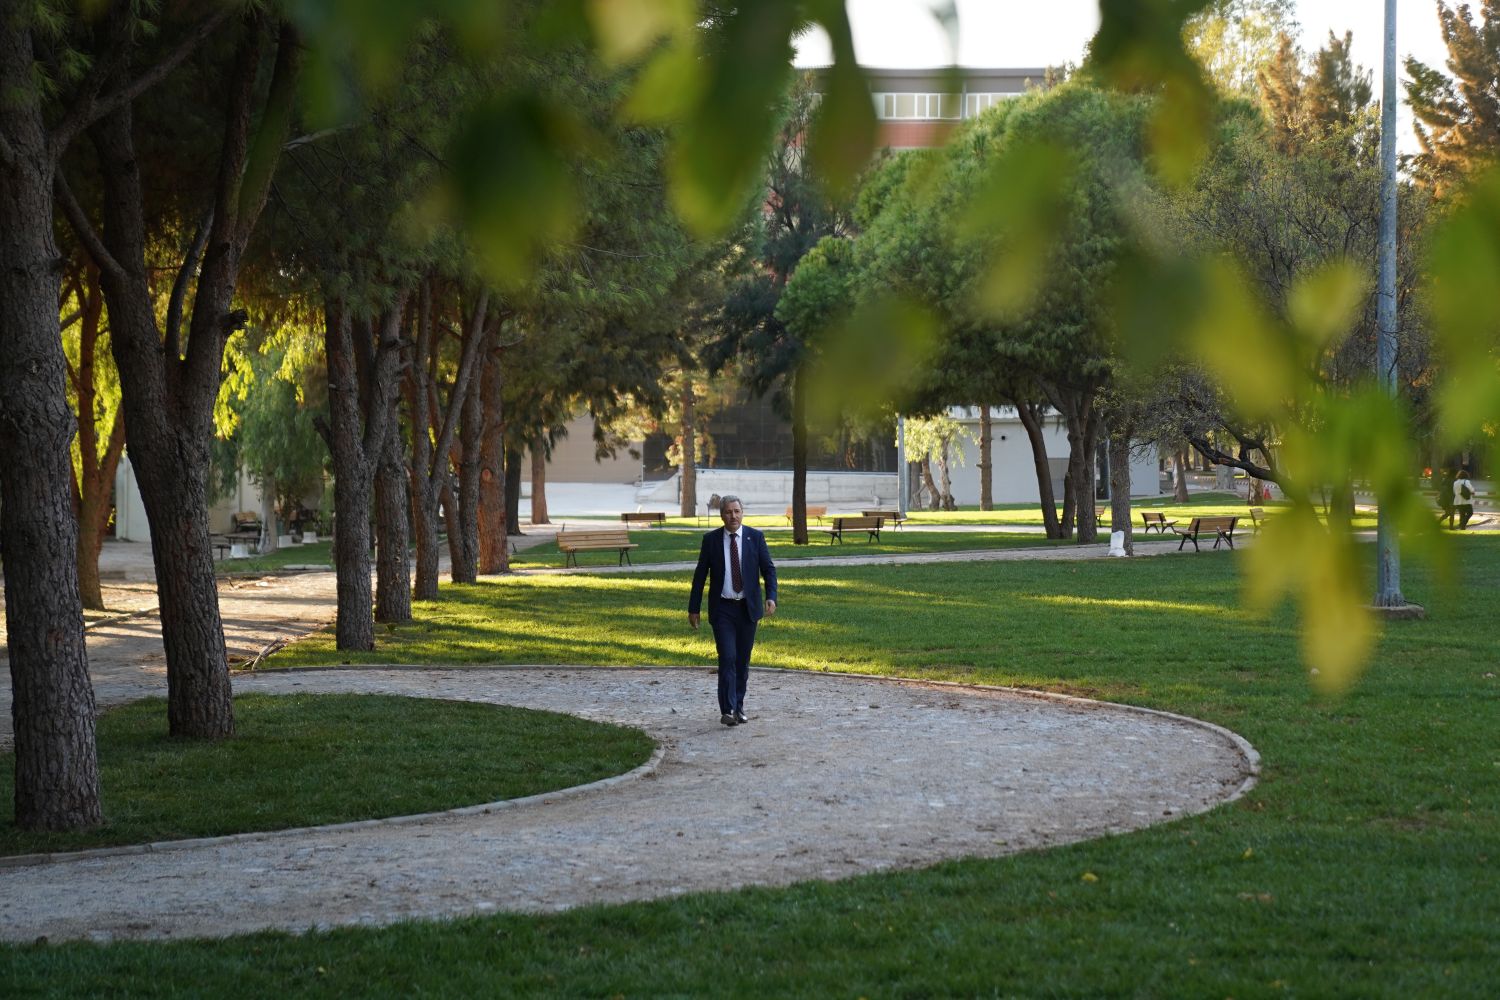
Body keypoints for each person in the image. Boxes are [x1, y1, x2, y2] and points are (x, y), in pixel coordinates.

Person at [688, 495, 777, 727]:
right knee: (727, 657)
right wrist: (693, 608)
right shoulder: (711, 541)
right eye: (728, 512)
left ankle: (738, 706)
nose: (733, 516)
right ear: (722, 515)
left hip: (748, 608)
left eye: (737, 511)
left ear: (742, 512)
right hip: (723, 609)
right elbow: (700, 577)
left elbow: (768, 569)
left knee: (742, 661)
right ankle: (726, 709)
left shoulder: (755, 537)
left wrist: (771, 597)